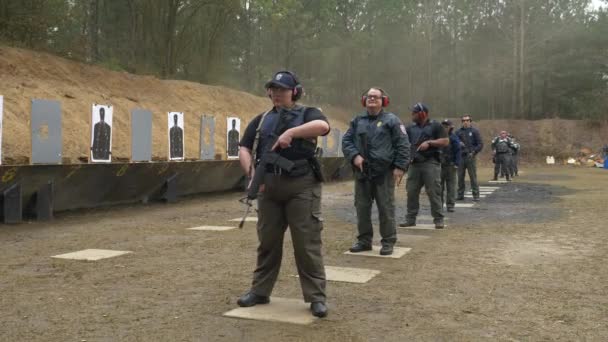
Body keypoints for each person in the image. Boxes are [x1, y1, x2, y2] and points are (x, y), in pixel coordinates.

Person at [237, 71, 330, 318]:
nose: (276, 93)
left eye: (282, 89)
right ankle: (259, 290)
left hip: (302, 185)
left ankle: (316, 297)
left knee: (306, 242)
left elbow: (323, 126)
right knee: (267, 241)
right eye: (273, 89)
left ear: (295, 92)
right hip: (269, 187)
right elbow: (244, 147)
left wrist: (291, 133)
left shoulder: (308, 113)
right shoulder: (261, 119)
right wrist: (251, 173)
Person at [342, 87, 410, 256]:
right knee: (362, 208)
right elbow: (346, 141)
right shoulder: (357, 120)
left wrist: (400, 167)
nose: (372, 99)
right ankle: (364, 241)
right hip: (362, 172)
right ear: (364, 100)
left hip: (384, 173)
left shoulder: (392, 120)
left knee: (386, 208)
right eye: (369, 97)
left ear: (383, 101)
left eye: (376, 97)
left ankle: (388, 241)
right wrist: (355, 156)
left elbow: (403, 144)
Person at [400, 103, 449, 229]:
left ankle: (438, 219)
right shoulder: (410, 128)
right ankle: (410, 219)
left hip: (430, 163)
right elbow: (404, 143)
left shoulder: (436, 126)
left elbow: (445, 141)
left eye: (414, 113)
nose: (412, 115)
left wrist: (429, 142)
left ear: (422, 114)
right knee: (411, 192)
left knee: (434, 192)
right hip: (414, 164)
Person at [455, 114, 483, 201]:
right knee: (460, 177)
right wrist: (458, 143)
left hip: (470, 156)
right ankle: (460, 195)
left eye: (467, 120)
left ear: (470, 121)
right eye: (463, 120)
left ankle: (476, 195)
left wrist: (474, 152)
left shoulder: (475, 131)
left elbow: (480, 144)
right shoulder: (458, 132)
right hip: (461, 157)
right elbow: (453, 143)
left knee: (473, 177)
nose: (465, 122)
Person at [440, 120, 461, 212]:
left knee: (451, 187)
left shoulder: (453, 137)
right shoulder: (438, 137)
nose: (445, 127)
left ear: (450, 127)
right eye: (443, 126)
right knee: (438, 187)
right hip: (440, 165)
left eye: (446, 126)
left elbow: (458, 151)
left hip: (451, 165)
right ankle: (438, 205)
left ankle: (450, 205)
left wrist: (457, 163)